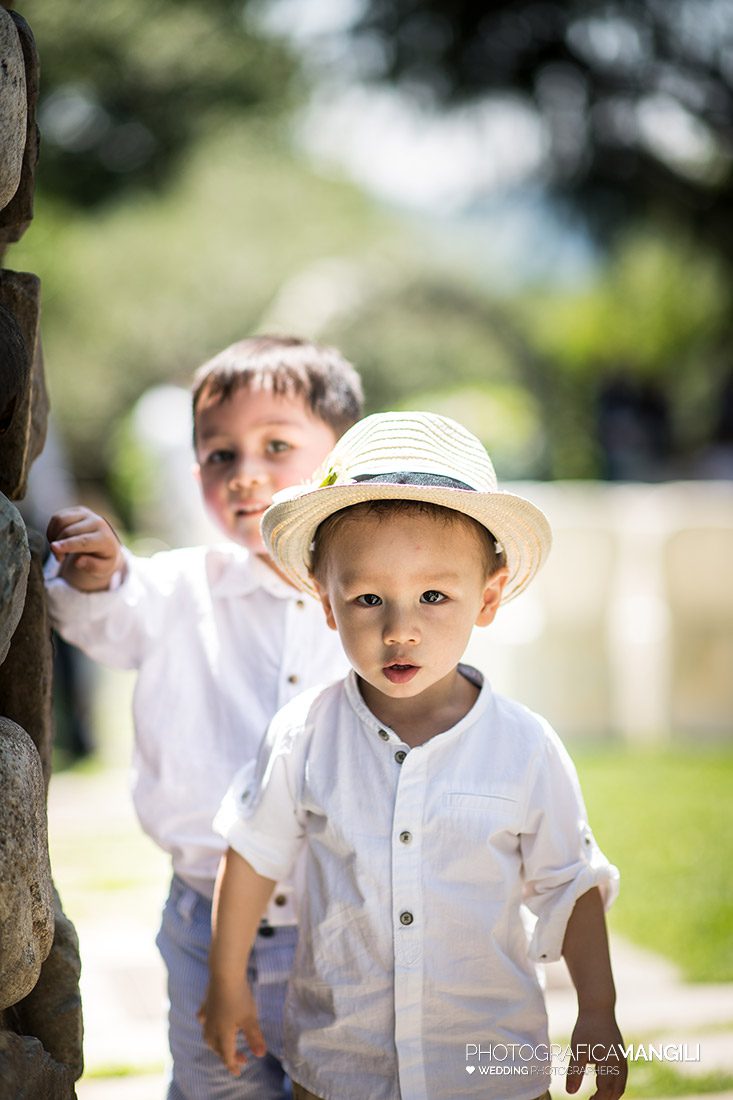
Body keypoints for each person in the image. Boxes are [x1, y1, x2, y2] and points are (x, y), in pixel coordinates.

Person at [201, 411, 627, 1100]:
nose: (400, 629)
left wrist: (598, 1011)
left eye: (434, 595)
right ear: (326, 602)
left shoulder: (523, 747)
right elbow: (251, 853)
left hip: (491, 1071)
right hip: (340, 1067)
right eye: (369, 598)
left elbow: (569, 884)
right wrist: (225, 984)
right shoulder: (304, 735)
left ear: (487, 597)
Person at [44, 335, 364, 1100]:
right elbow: (108, 621)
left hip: (347, 920)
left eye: (275, 446)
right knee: (219, 1083)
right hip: (203, 914)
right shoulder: (177, 586)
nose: (244, 473)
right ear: (196, 475)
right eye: (219, 455)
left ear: (340, 460)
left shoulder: (367, 590)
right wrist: (100, 575)